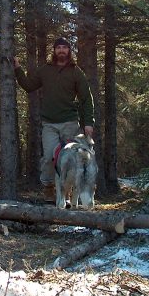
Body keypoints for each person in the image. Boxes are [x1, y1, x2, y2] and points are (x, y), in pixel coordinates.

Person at [14, 36, 95, 201]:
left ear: (69, 51)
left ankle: (69, 191)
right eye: (58, 48)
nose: (61, 51)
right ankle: (49, 188)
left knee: (72, 159)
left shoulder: (75, 71)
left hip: (70, 122)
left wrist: (88, 123)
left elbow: (86, 98)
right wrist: (17, 69)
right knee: (50, 158)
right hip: (49, 123)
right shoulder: (46, 70)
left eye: (64, 48)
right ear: (54, 51)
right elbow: (29, 86)